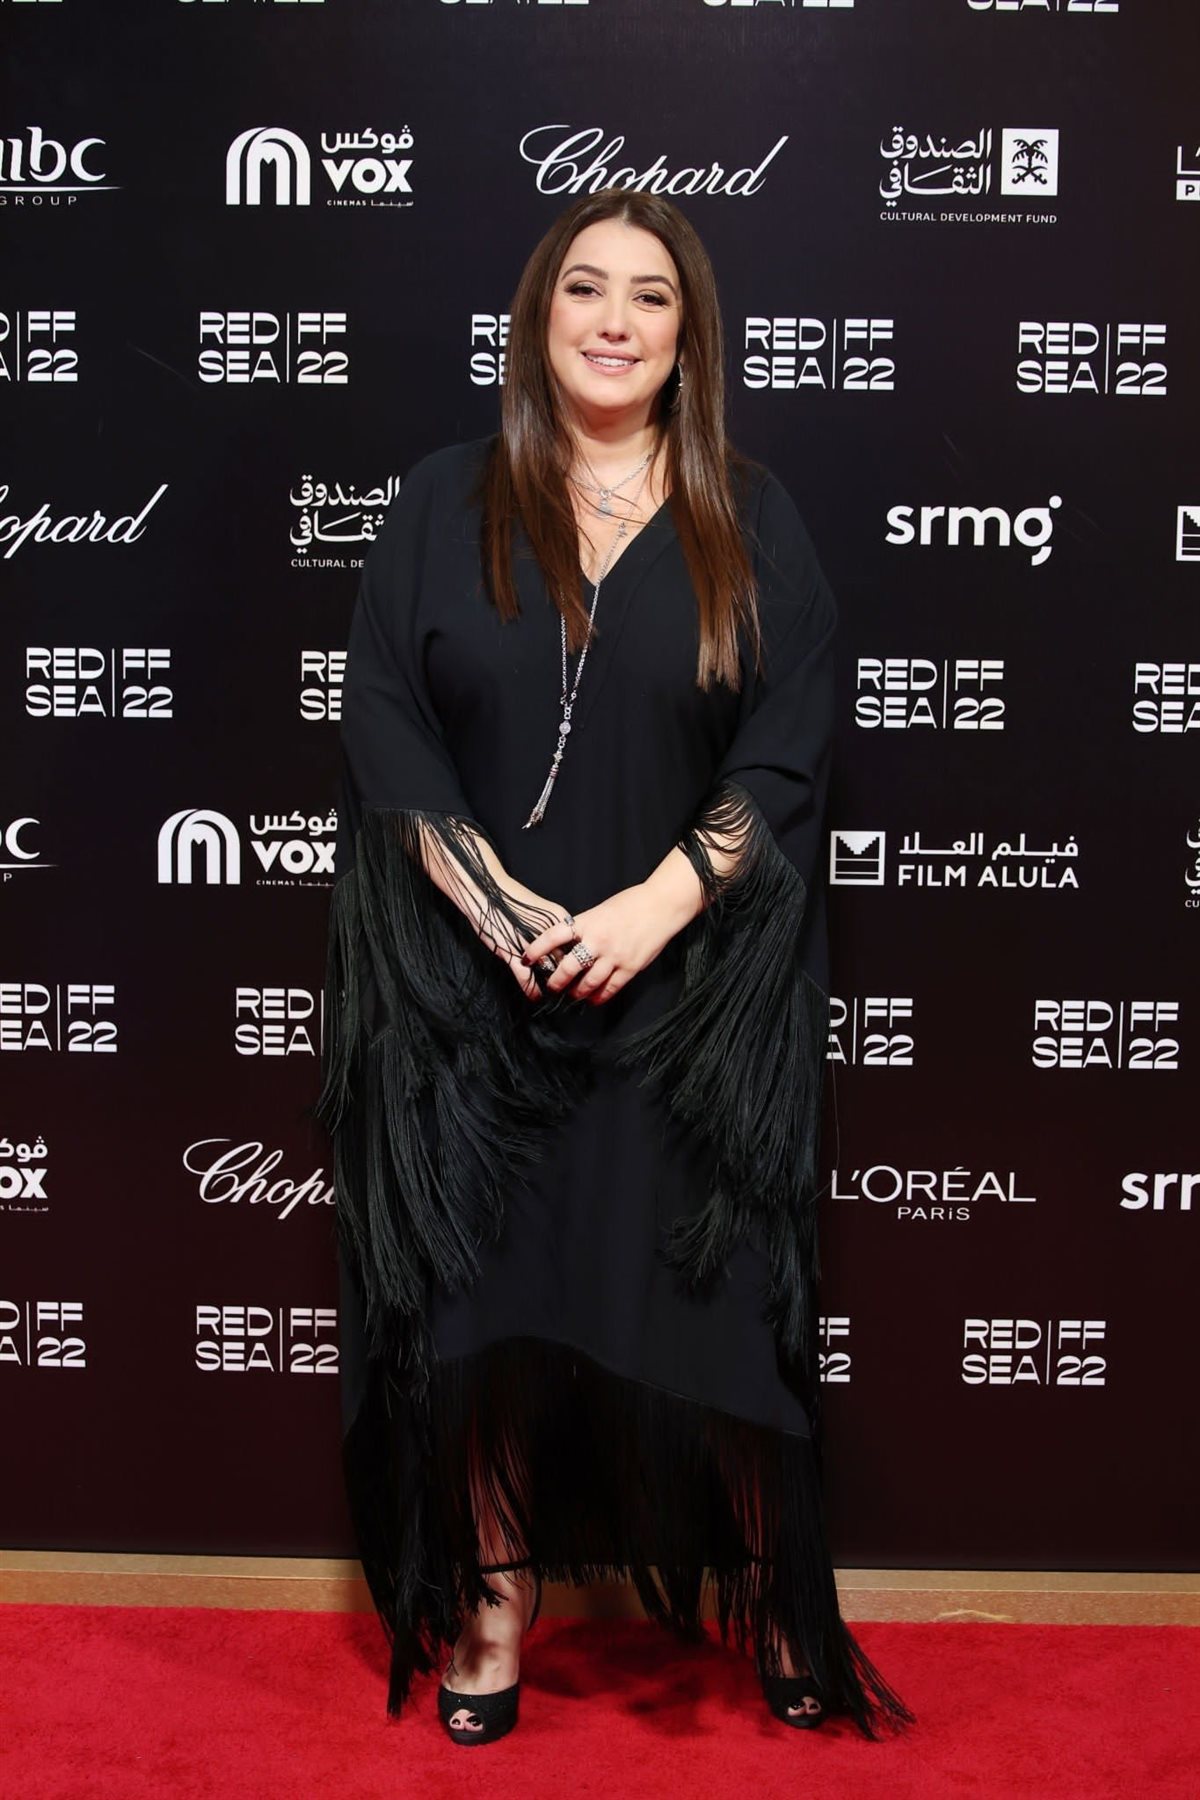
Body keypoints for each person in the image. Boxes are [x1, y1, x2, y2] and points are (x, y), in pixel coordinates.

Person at [315, 187, 913, 1746]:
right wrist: (482, 899)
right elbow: (382, 720)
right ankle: (491, 1610)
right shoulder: (440, 504)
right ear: (539, 317)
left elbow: (789, 744)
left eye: (653, 295)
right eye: (586, 286)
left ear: (689, 339)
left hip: (685, 1007)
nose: (616, 318)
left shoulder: (749, 518)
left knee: (725, 1316)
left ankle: (776, 1600)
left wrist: (659, 902)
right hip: (477, 1002)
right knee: (482, 1326)